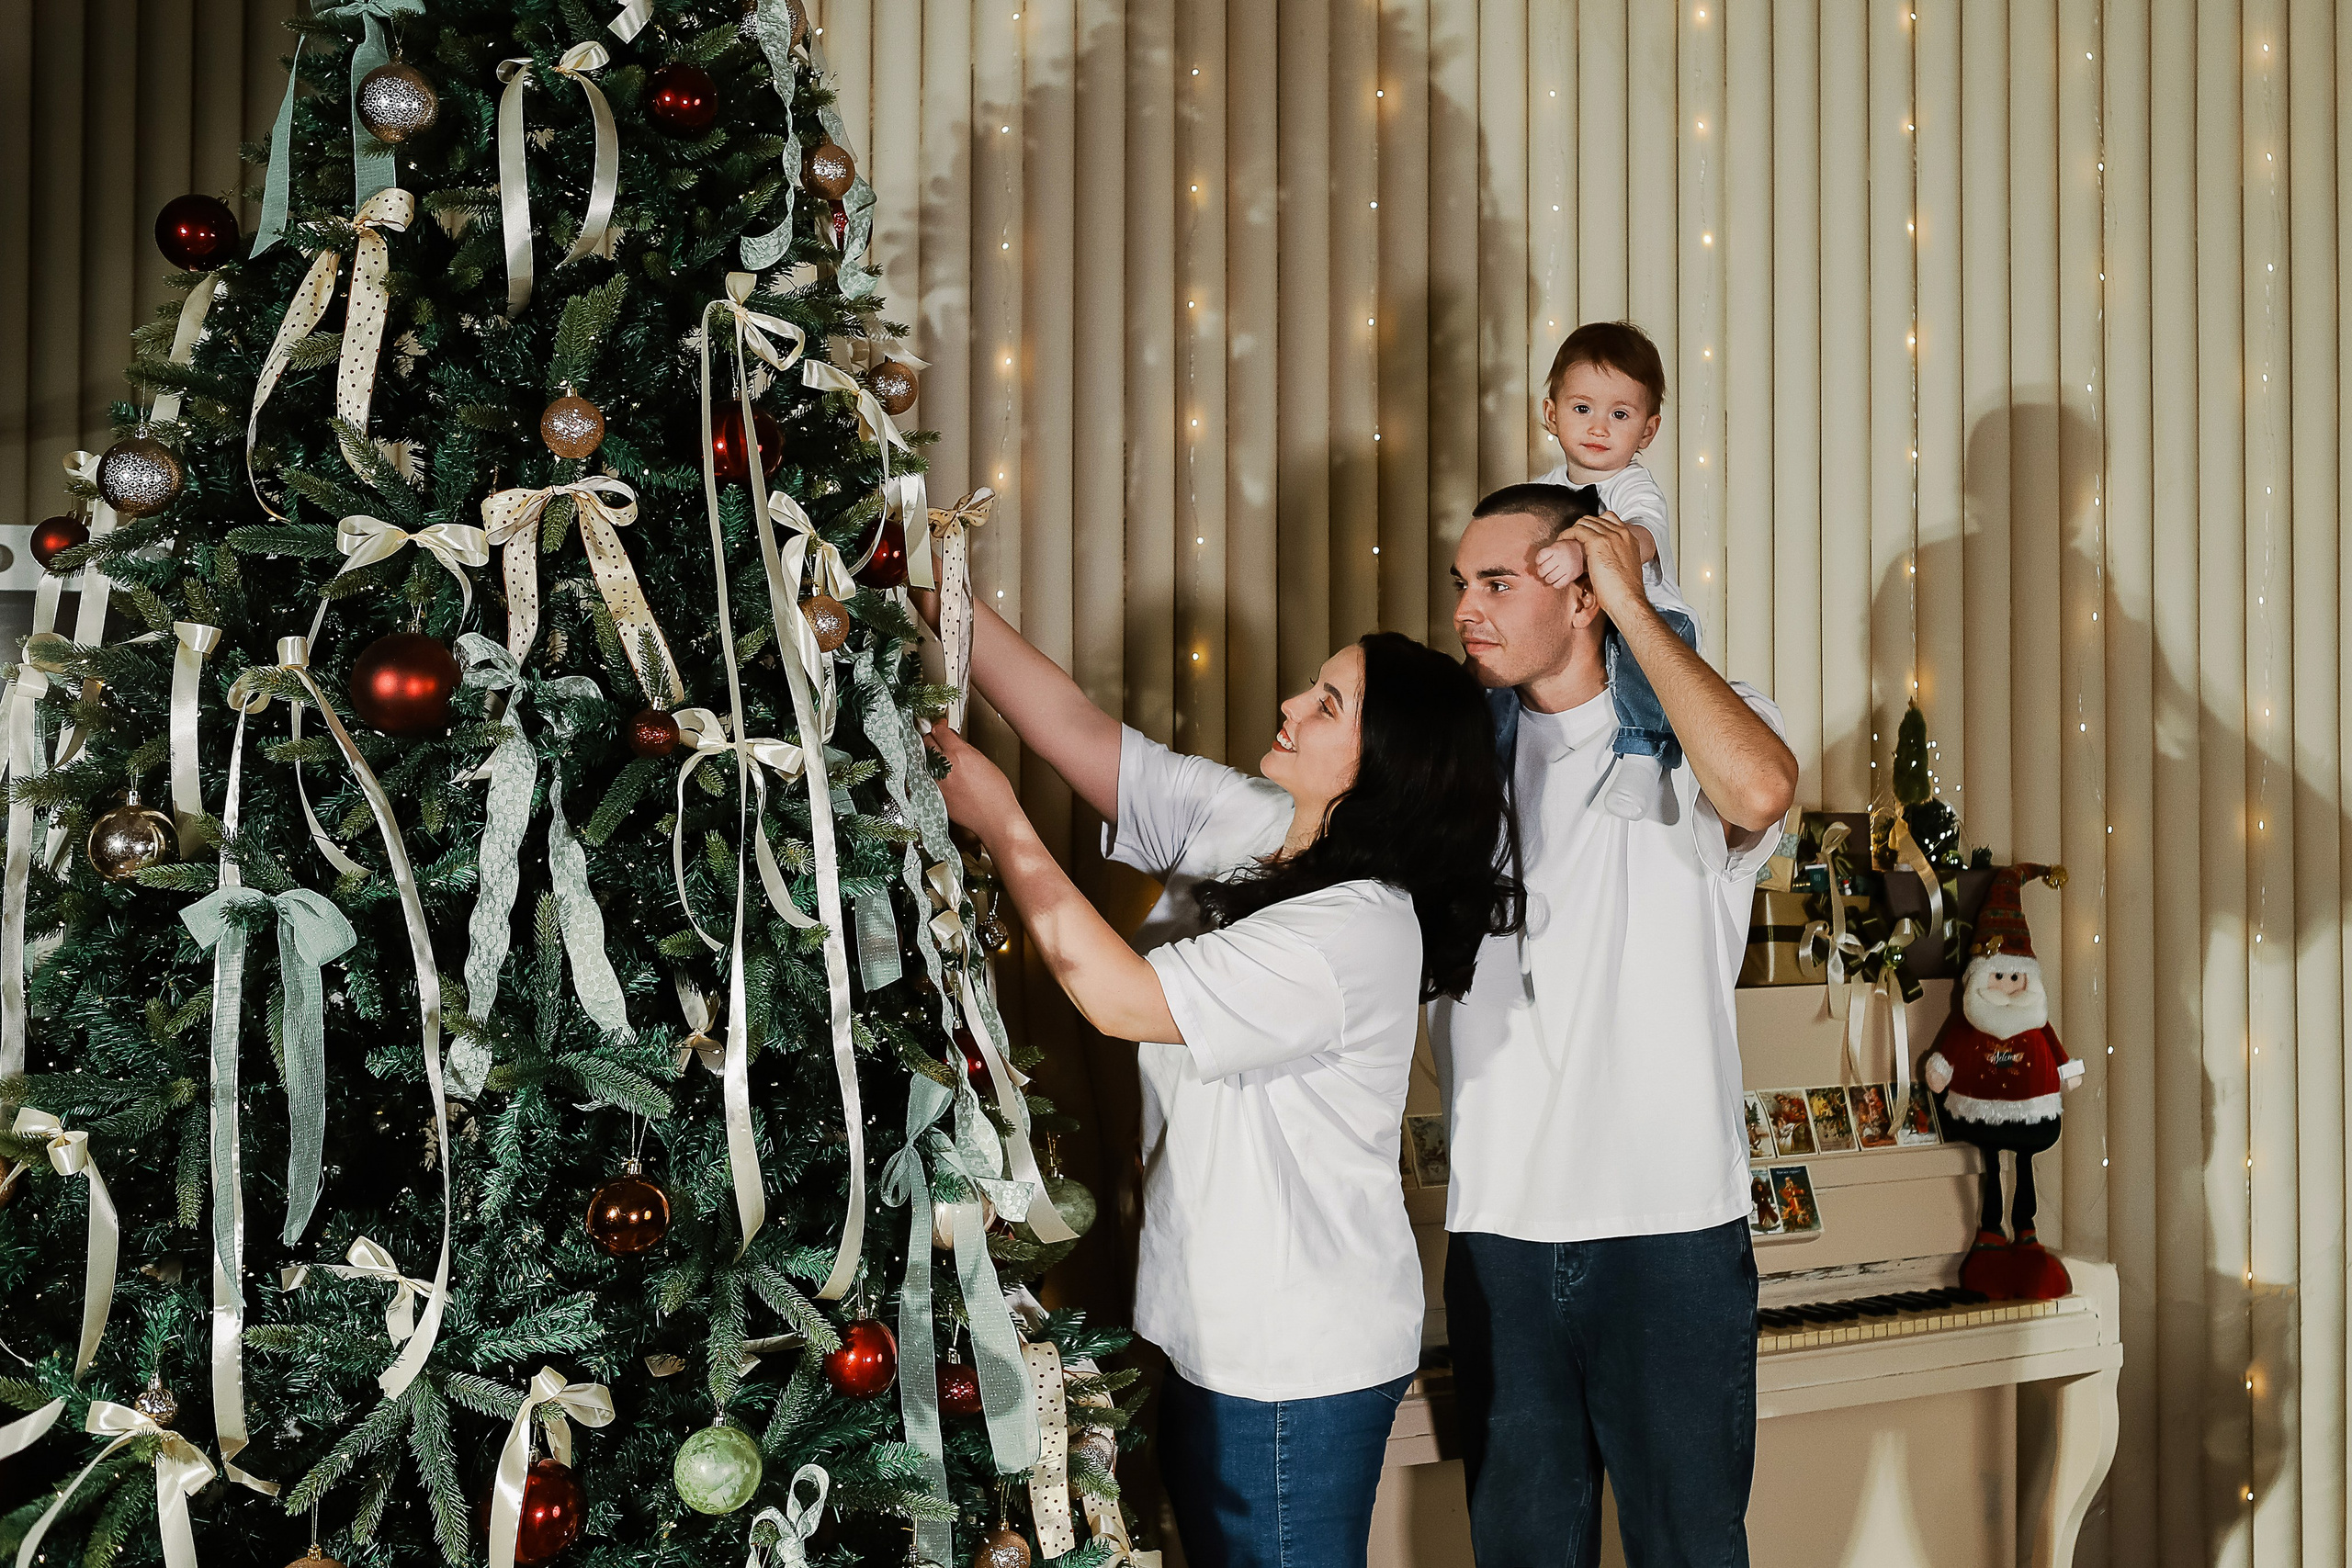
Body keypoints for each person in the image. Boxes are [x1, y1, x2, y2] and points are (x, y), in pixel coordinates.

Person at [920, 593, 1521, 1568]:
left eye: (1328, 704)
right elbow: (1070, 726)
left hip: (1291, 1360)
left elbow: (1119, 998)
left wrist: (1001, 821)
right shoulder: (1265, 824)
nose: (1289, 704)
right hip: (1212, 1330)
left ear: (1389, 765)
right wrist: (936, 584)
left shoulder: (1358, 927)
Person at [1433, 482, 1800, 1568]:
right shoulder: (1453, 757)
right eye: (1461, 584)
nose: (1466, 610)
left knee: (1689, 1550)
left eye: (1497, 583)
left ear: (1579, 592)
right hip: (1497, 1232)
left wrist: (1633, 604)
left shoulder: (1700, 729)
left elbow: (1764, 788)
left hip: (1669, 1236)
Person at [1523, 321, 1709, 824]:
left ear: (1647, 429)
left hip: (1643, 616)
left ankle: (1643, 754)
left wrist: (1588, 553)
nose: (1599, 427)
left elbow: (1643, 537)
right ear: (1552, 414)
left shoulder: (1631, 486)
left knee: (1643, 652)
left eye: (1620, 413)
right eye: (1582, 409)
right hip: (1577, 621)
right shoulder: (1540, 491)